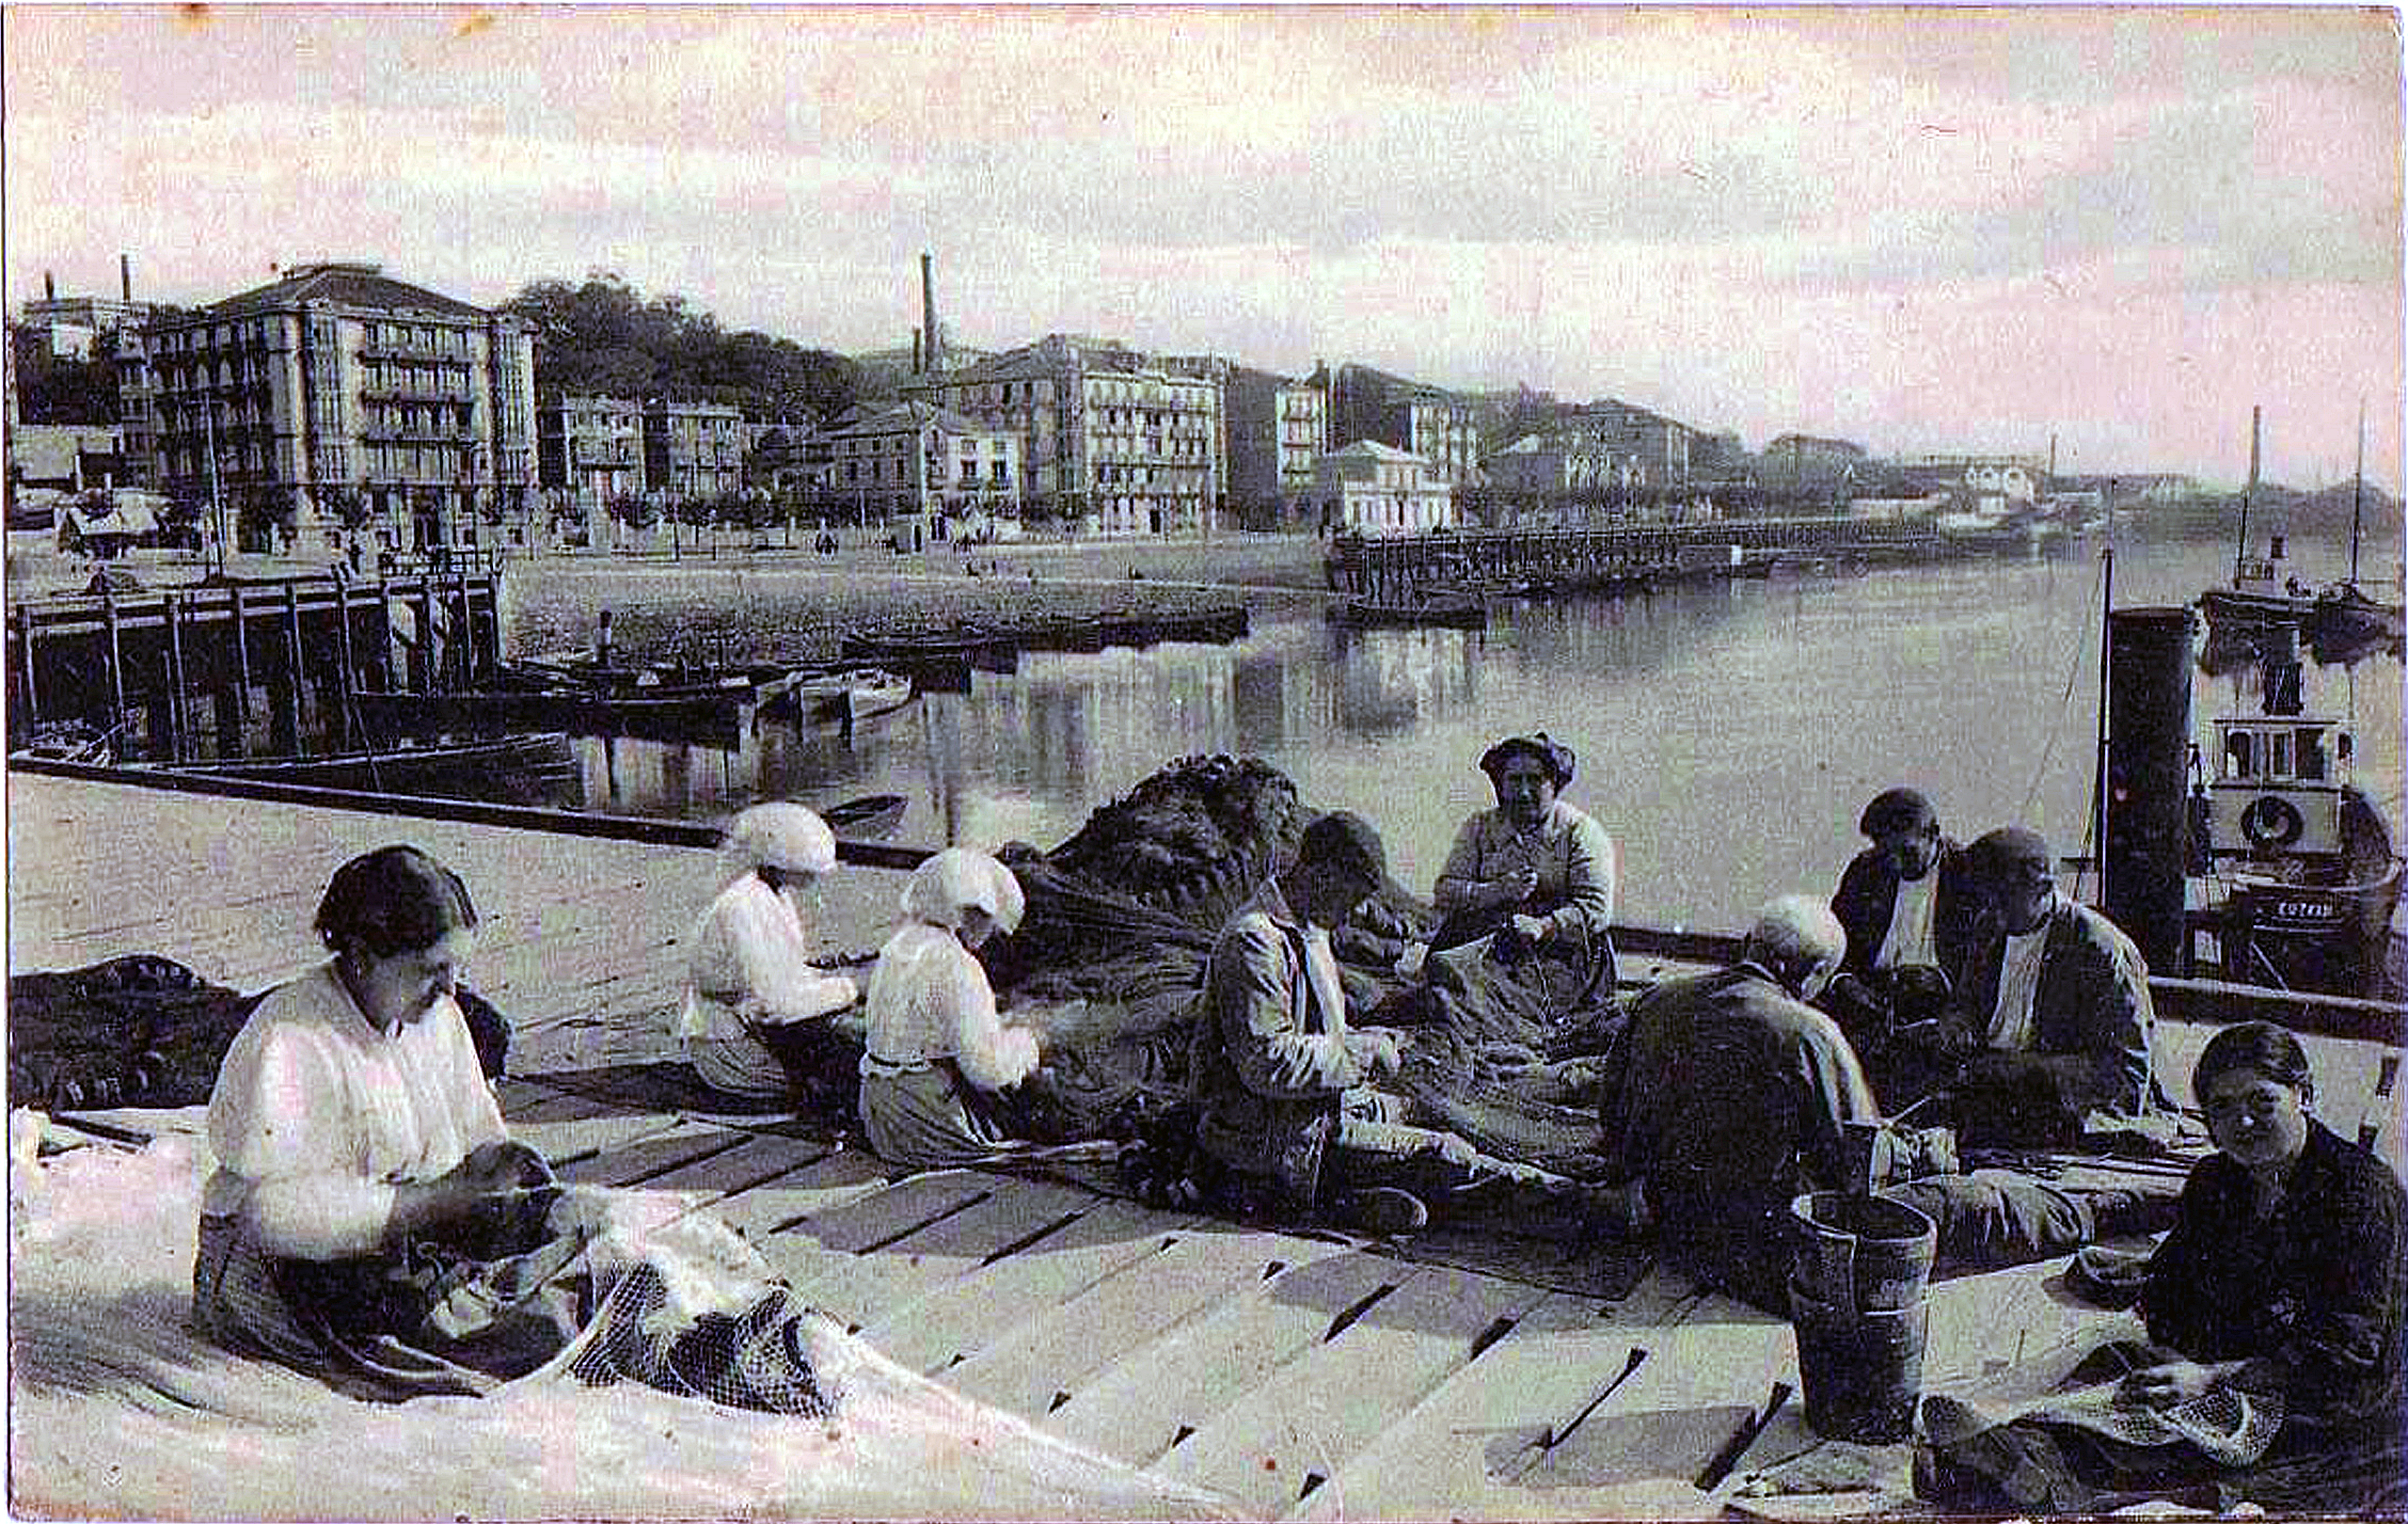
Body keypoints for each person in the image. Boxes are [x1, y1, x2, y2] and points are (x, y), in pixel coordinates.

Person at [194, 845, 844, 1411]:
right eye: (431, 970)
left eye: (456, 969)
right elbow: (274, 1218)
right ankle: (696, 1350)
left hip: (408, 1232)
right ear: (362, 956)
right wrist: (436, 1202)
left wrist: (530, 1198)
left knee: (618, 1229)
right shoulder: (293, 1036)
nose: (451, 990)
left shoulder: (433, 1015)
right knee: (526, 1326)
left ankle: (719, 1323)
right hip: (293, 1274)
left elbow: (483, 1143)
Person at [1922, 1023, 2406, 1514]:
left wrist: (2212, 1377)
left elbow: (2348, 1349)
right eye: (2222, 1108)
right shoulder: (2216, 1179)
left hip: (2332, 1394)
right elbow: (2169, 1286)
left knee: (2184, 1435)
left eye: (2262, 1103)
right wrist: (2175, 1353)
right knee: (2114, 1367)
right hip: (2224, 1358)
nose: (2242, 1122)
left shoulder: (2359, 1193)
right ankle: (2020, 1447)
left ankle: (2034, 1464)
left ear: (2304, 1096)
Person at [1192, 811, 1625, 1238]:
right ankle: (1594, 1206)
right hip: (1271, 1141)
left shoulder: (1308, 927)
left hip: (1315, 1110)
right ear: (1322, 876)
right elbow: (1266, 1062)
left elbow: (1314, 1040)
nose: (1350, 915)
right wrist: (1363, 1052)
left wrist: (1369, 1038)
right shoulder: (1256, 941)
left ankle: (1362, 1192)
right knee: (1445, 1151)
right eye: (1350, 901)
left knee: (1439, 1108)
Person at [1930, 826, 2166, 1144]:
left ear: (2043, 888)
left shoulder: (2099, 949)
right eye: (1984, 901)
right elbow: (1966, 1002)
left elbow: (2127, 1074)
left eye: (2002, 901)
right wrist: (1958, 1021)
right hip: (1991, 1085)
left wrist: (2028, 1068)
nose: (1992, 913)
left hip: (2058, 1105)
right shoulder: (1989, 928)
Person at [858, 848, 1045, 1170]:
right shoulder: (957, 965)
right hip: (924, 1115)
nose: (990, 931)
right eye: (986, 917)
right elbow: (987, 1070)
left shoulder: (898, 947)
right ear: (966, 912)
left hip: (879, 1112)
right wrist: (1030, 1043)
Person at [677, 802, 862, 1113]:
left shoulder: (772, 894)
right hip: (732, 1050)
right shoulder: (744, 906)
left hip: (753, 1024)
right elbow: (778, 1006)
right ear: (785, 862)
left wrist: (829, 983)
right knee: (856, 1074)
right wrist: (852, 988)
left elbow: (784, 976)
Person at [1428, 733, 1619, 1024]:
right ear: (1501, 784)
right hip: (1490, 938)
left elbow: (1596, 909)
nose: (1525, 792)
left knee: (1494, 1001)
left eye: (1536, 781)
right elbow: (1445, 891)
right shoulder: (1480, 828)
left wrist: (1544, 927)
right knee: (1444, 976)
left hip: (1562, 953)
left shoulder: (1580, 833)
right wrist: (1498, 890)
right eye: (1515, 781)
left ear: (1554, 785)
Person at [1824, 788, 1979, 1105]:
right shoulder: (1865, 871)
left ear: (1934, 834)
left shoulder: (1969, 874)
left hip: (1942, 1004)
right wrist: (1846, 982)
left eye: (1906, 852)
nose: (1895, 864)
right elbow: (1833, 942)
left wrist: (1942, 980)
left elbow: (1990, 957)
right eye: (1885, 853)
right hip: (1873, 999)